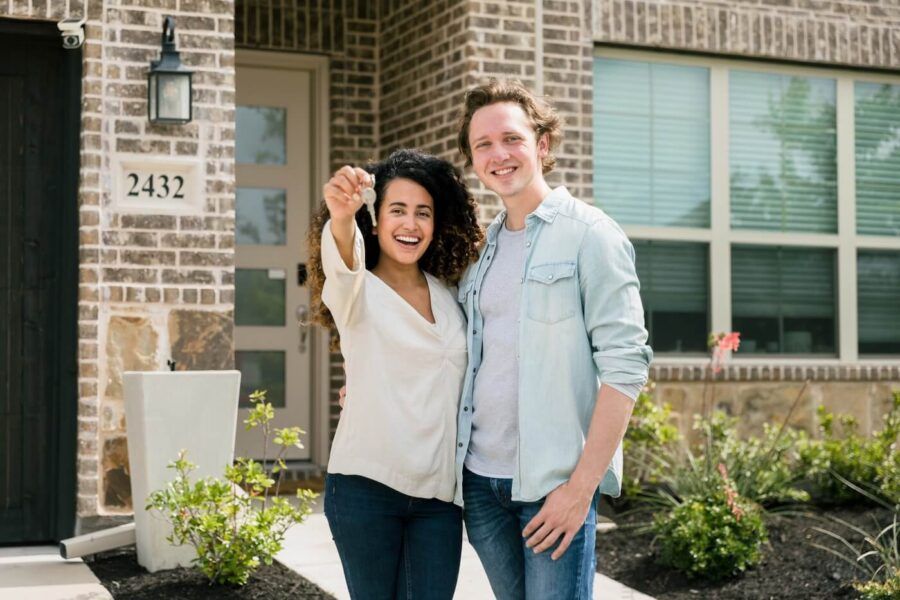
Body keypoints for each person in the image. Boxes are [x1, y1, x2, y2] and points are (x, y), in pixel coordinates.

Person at [453, 79, 653, 599]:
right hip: (480, 483)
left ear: (541, 144)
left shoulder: (592, 235)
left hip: (553, 488)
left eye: (511, 138)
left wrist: (580, 489)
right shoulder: (481, 250)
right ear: (473, 160)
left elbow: (626, 367)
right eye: (483, 145)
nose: (499, 154)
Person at [306, 149, 482, 599]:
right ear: (376, 218)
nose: (411, 224)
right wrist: (342, 216)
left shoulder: (450, 295)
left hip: (440, 499)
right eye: (397, 210)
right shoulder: (357, 290)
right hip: (367, 489)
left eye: (423, 213)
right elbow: (341, 260)